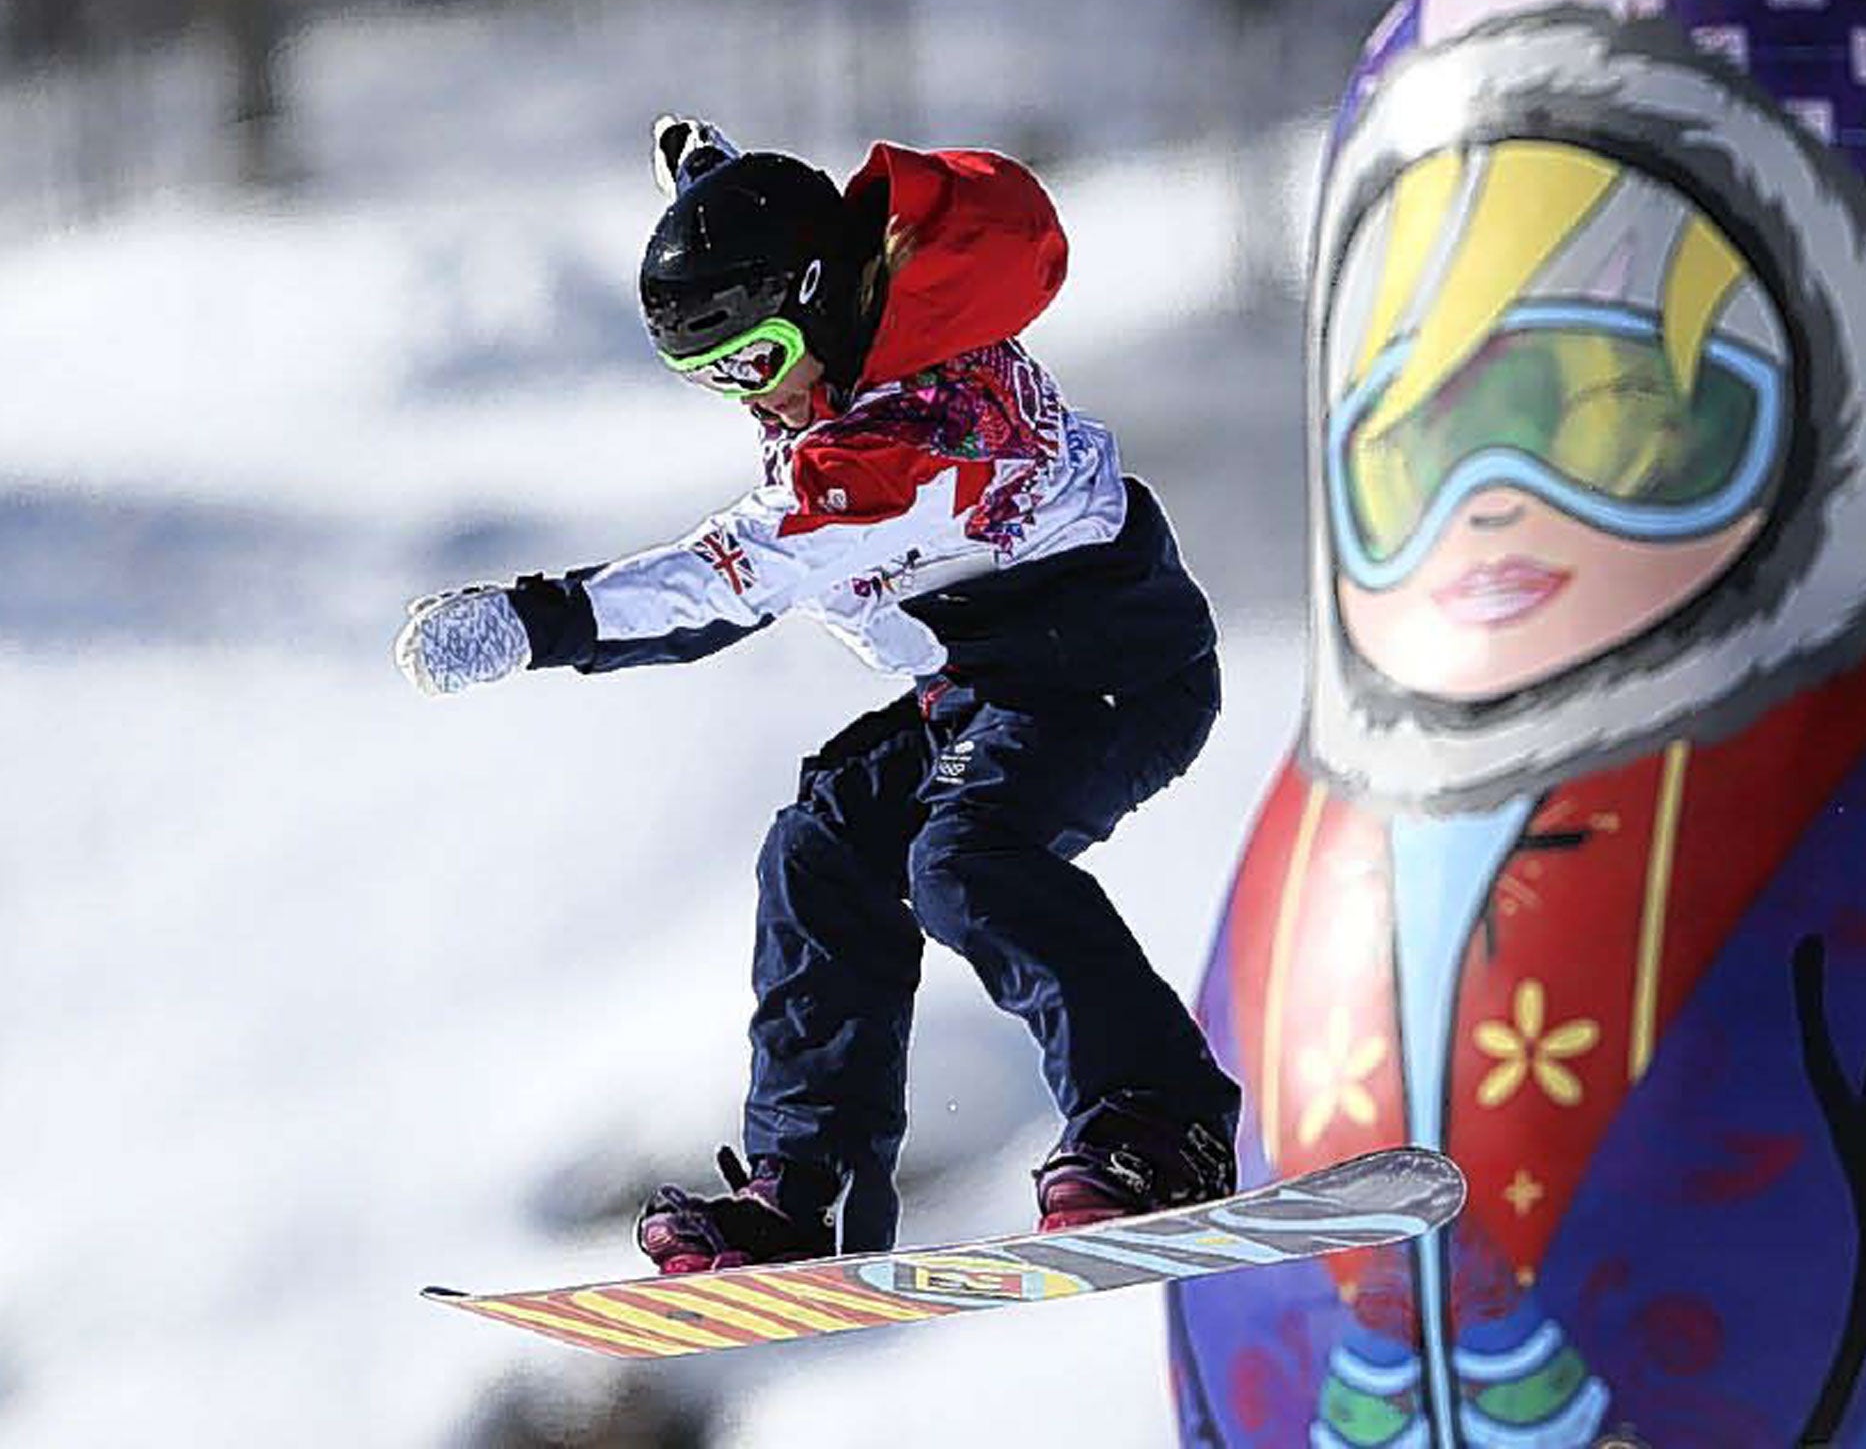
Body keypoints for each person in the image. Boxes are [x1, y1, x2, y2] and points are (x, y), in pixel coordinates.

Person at [394, 117, 1241, 1271]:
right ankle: (811, 1190)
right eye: (713, 377)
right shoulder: (862, 321)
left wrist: (538, 622)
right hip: (984, 679)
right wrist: (712, 181)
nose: (753, 403)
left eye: (753, 362)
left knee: (967, 862)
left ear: (822, 301)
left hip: (1109, 667)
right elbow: (810, 241)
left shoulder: (906, 439)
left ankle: (1158, 1124)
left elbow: (718, 587)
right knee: (824, 848)